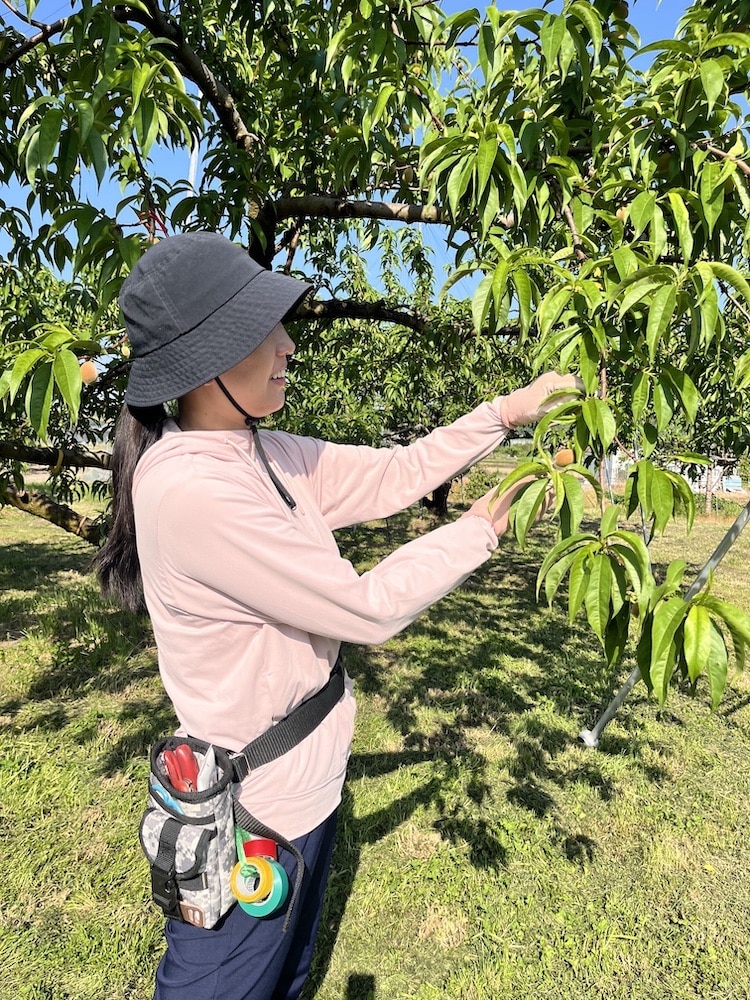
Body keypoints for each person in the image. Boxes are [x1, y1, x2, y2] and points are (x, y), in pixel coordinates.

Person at [95, 231, 579, 1000]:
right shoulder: (191, 490)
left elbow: (394, 474)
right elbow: (366, 606)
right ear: (208, 360)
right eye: (263, 329)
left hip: (306, 794)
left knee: (286, 978)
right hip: (257, 816)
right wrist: (485, 525)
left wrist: (504, 415)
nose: (287, 344)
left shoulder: (259, 450)